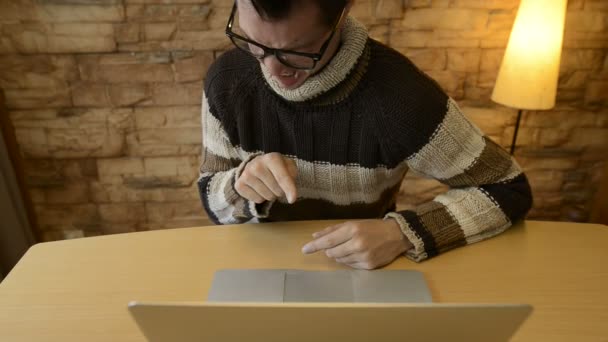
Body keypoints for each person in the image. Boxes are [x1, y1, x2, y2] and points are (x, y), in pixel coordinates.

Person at [197, 0, 533, 269]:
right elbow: (211, 197)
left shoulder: (401, 98)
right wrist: (240, 186)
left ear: (343, 14)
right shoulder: (226, 82)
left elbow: (507, 188)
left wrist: (401, 232)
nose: (271, 69)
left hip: (359, 271)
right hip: (255, 267)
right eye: (253, 43)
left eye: (296, 50)